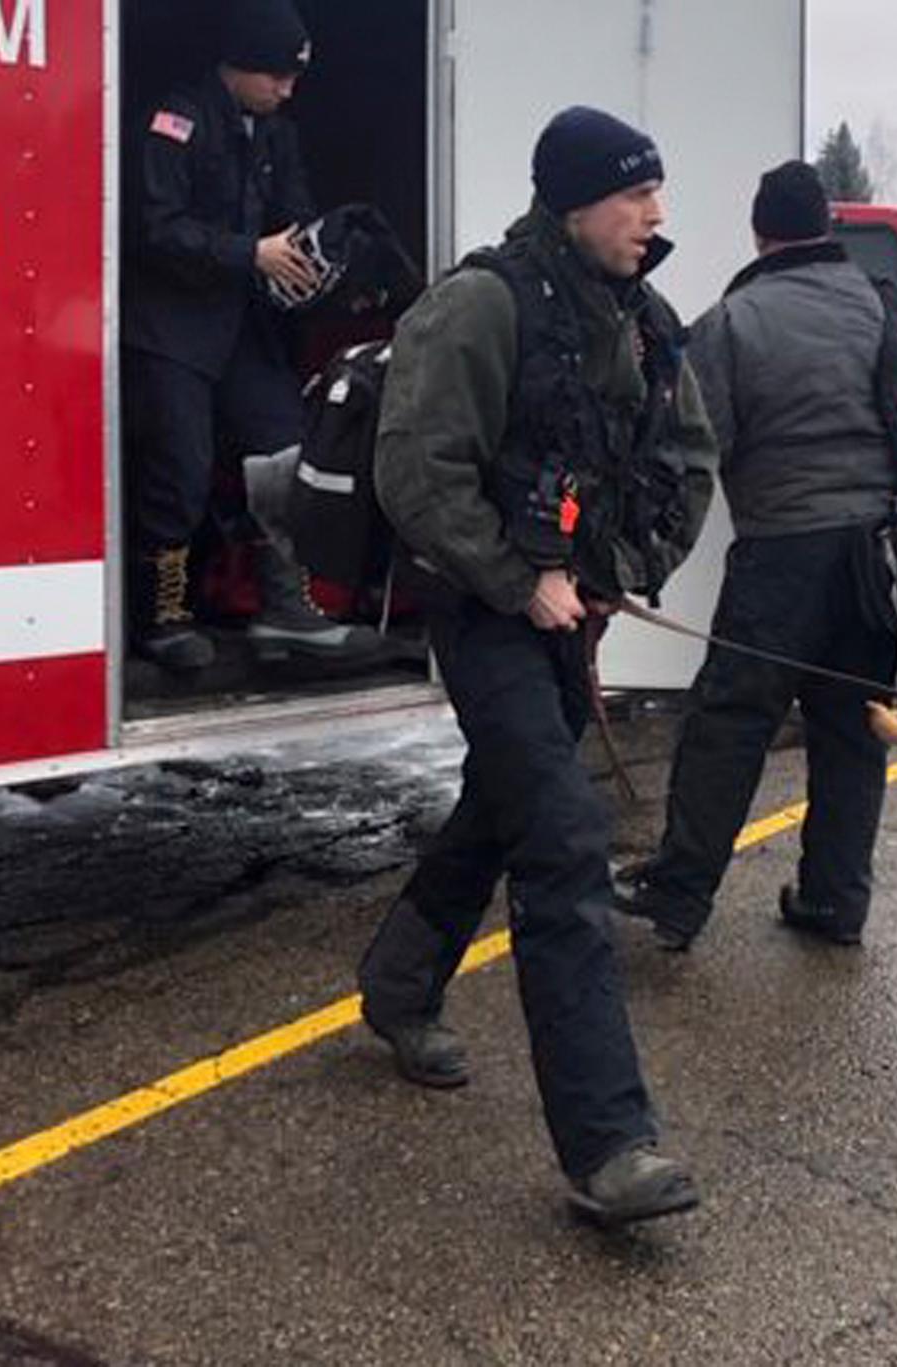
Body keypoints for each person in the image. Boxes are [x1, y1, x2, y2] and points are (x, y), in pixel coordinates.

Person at [356, 107, 718, 1226]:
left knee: (507, 806)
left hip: (569, 610)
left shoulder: (645, 320)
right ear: (572, 201)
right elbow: (416, 471)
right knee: (561, 836)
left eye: (656, 194)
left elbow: (686, 462)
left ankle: (399, 982)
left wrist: (611, 567)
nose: (654, 216)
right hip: (484, 611)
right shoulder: (480, 305)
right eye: (631, 197)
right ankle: (608, 1145)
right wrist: (519, 579)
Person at [616, 159, 897, 953]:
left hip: (782, 551)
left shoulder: (734, 321)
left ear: (761, 231)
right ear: (827, 226)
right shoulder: (879, 304)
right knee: (853, 730)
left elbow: (700, 437)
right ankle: (835, 901)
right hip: (873, 560)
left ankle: (680, 898)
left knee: (730, 722)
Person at [123, 0, 379, 672]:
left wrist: (324, 254)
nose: (287, 90)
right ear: (238, 63)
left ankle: (284, 609)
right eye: (276, 77)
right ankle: (160, 617)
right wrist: (249, 253)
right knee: (177, 470)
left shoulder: (276, 132)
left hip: (245, 328)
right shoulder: (176, 120)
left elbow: (291, 213)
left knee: (285, 455)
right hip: (170, 329)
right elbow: (155, 229)